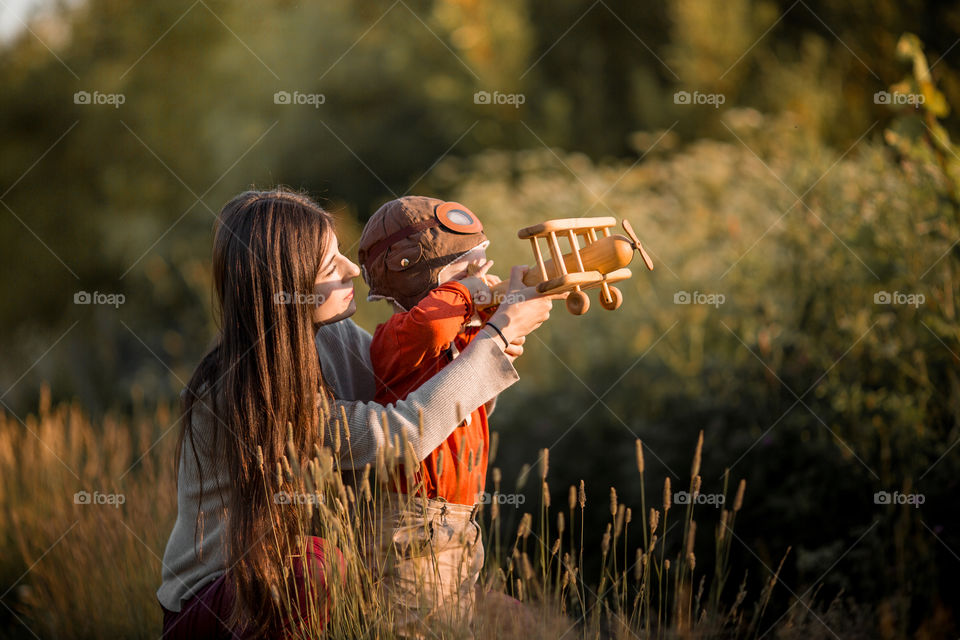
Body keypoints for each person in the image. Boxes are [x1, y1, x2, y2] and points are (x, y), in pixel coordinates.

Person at [157, 188, 561, 639]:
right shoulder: (244, 384)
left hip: (327, 574)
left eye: (343, 256)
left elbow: (432, 402)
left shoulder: (334, 336)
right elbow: (394, 436)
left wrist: (473, 339)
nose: (353, 270)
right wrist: (496, 344)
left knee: (507, 618)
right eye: (332, 266)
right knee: (313, 567)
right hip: (221, 604)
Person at [356, 196, 510, 634]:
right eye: (465, 272)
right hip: (412, 525)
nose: (481, 278)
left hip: (459, 522)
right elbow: (430, 324)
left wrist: (494, 333)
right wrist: (469, 296)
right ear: (423, 282)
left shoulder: (453, 336)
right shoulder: (397, 337)